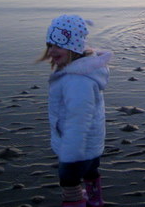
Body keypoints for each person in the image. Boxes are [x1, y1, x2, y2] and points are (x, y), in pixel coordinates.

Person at [39, 14, 112, 207]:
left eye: (59, 45)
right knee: (91, 171)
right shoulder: (82, 70)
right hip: (90, 145)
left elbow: (79, 120)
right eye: (50, 45)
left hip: (76, 148)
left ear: (74, 46)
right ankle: (95, 201)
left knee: (69, 182)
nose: (52, 51)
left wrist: (70, 153)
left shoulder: (77, 80)